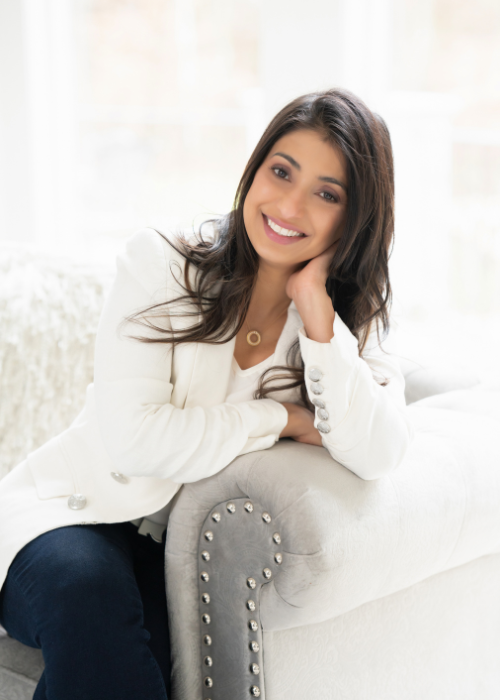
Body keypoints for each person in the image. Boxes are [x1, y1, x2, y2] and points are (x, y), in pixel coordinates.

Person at [0, 88, 414, 699]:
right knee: (85, 592)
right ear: (253, 172)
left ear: (355, 221)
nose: (290, 204)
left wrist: (320, 322)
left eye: (327, 194)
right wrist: (278, 417)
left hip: (172, 554)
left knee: (116, 664)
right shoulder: (162, 264)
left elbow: (378, 452)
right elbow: (137, 442)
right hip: (66, 516)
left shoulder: (344, 330)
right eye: (281, 171)